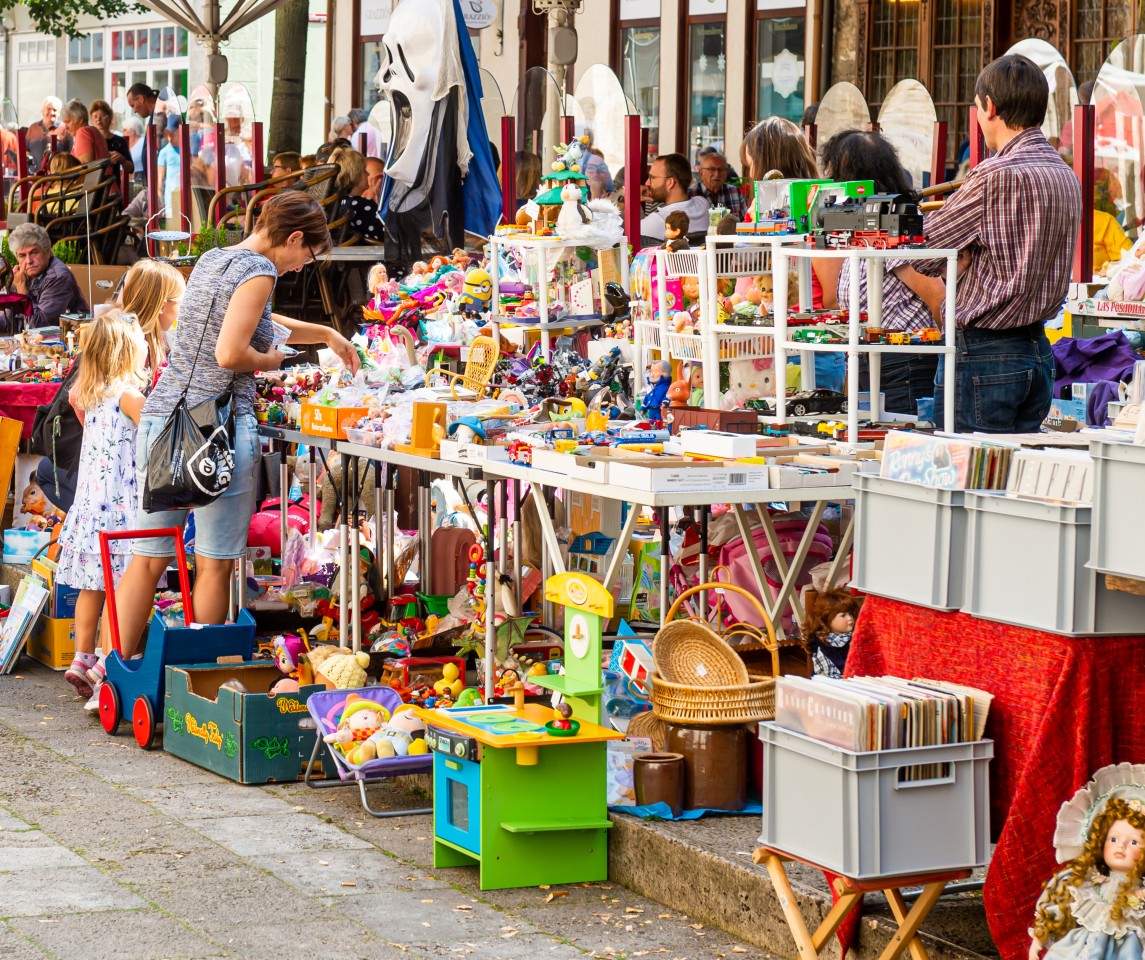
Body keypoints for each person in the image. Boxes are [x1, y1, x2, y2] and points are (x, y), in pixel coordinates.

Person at [89, 193, 359, 704]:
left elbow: (249, 322)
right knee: (214, 562)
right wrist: (277, 362)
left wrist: (324, 332)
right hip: (215, 429)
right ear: (295, 238)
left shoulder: (216, 259)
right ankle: (196, 687)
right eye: (309, 255)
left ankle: (113, 679)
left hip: (164, 418)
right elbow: (233, 351)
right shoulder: (260, 271)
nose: (304, 266)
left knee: (146, 559)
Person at [924, 54, 1082, 433]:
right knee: (1014, 484)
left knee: (966, 481)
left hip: (983, 351)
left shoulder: (992, 175)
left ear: (989, 107)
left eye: (977, 107)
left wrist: (961, 260)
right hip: (1039, 351)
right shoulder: (1066, 176)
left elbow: (927, 254)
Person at [816, 130, 946, 415]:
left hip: (904, 364)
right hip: (876, 361)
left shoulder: (894, 221)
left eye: (835, 176)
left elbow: (937, 296)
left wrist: (952, 357)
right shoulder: (863, 225)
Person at [56, 311, 148, 701]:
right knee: (122, 588)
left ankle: (80, 657)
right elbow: (153, 434)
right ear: (130, 352)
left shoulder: (87, 394)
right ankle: (105, 664)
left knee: (91, 587)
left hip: (92, 506)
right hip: (122, 509)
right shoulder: (131, 396)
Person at [1029, 795, 1145, 960]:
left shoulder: (1141, 893)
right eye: (1113, 839)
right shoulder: (1090, 883)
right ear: (1101, 841)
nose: (1121, 845)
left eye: (1134, 842)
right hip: (1082, 947)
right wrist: (1039, 938)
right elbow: (1060, 907)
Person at [8, 223, 88, 326]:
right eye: (22, 255)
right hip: (31, 340)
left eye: (34, 252)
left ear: (47, 252)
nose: (28, 261)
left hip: (67, 339)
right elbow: (10, 322)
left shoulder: (59, 277)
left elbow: (41, 324)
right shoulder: (21, 277)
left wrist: (22, 290)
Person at [639, 153, 710, 244]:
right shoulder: (703, 204)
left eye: (652, 177)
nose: (647, 183)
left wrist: (626, 199)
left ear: (670, 182)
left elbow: (620, 239)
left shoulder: (659, 220)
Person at [331, 146, 384, 242]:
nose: (368, 175)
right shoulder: (363, 205)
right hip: (368, 255)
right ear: (355, 174)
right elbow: (387, 236)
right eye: (364, 171)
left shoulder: (338, 204)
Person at [689, 146, 746, 220]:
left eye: (721, 169)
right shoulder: (691, 194)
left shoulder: (734, 192)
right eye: (712, 169)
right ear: (701, 173)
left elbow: (747, 222)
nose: (717, 174)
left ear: (726, 173)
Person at [89, 98, 134, 187]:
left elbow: (131, 168)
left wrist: (122, 159)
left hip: (113, 188)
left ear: (109, 117)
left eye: (102, 116)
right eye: (95, 116)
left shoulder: (119, 141)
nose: (98, 120)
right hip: (93, 188)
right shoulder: (89, 141)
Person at [27, 96, 71, 174]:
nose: (52, 113)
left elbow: (70, 154)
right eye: (49, 109)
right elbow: (26, 151)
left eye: (55, 110)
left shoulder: (65, 128)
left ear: (59, 113)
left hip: (57, 176)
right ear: (42, 111)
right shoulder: (33, 128)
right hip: (35, 177)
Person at [60, 99, 108, 167]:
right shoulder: (94, 130)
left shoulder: (82, 132)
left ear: (80, 120)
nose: (66, 127)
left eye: (67, 122)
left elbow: (84, 165)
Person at [156, 114, 182, 217]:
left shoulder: (188, 149)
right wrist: (161, 205)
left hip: (187, 197)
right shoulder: (164, 152)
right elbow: (160, 179)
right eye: (168, 133)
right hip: (170, 201)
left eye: (173, 133)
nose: (169, 136)